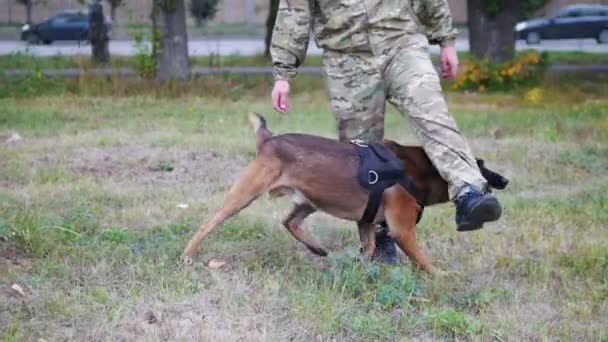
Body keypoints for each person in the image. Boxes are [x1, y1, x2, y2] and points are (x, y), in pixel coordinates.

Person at [269, 0, 502, 263]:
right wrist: (283, 73)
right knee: (361, 152)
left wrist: (446, 40)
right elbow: (293, 11)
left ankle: (469, 192)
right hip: (347, 59)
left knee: (433, 116)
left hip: (401, 47)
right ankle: (378, 238)